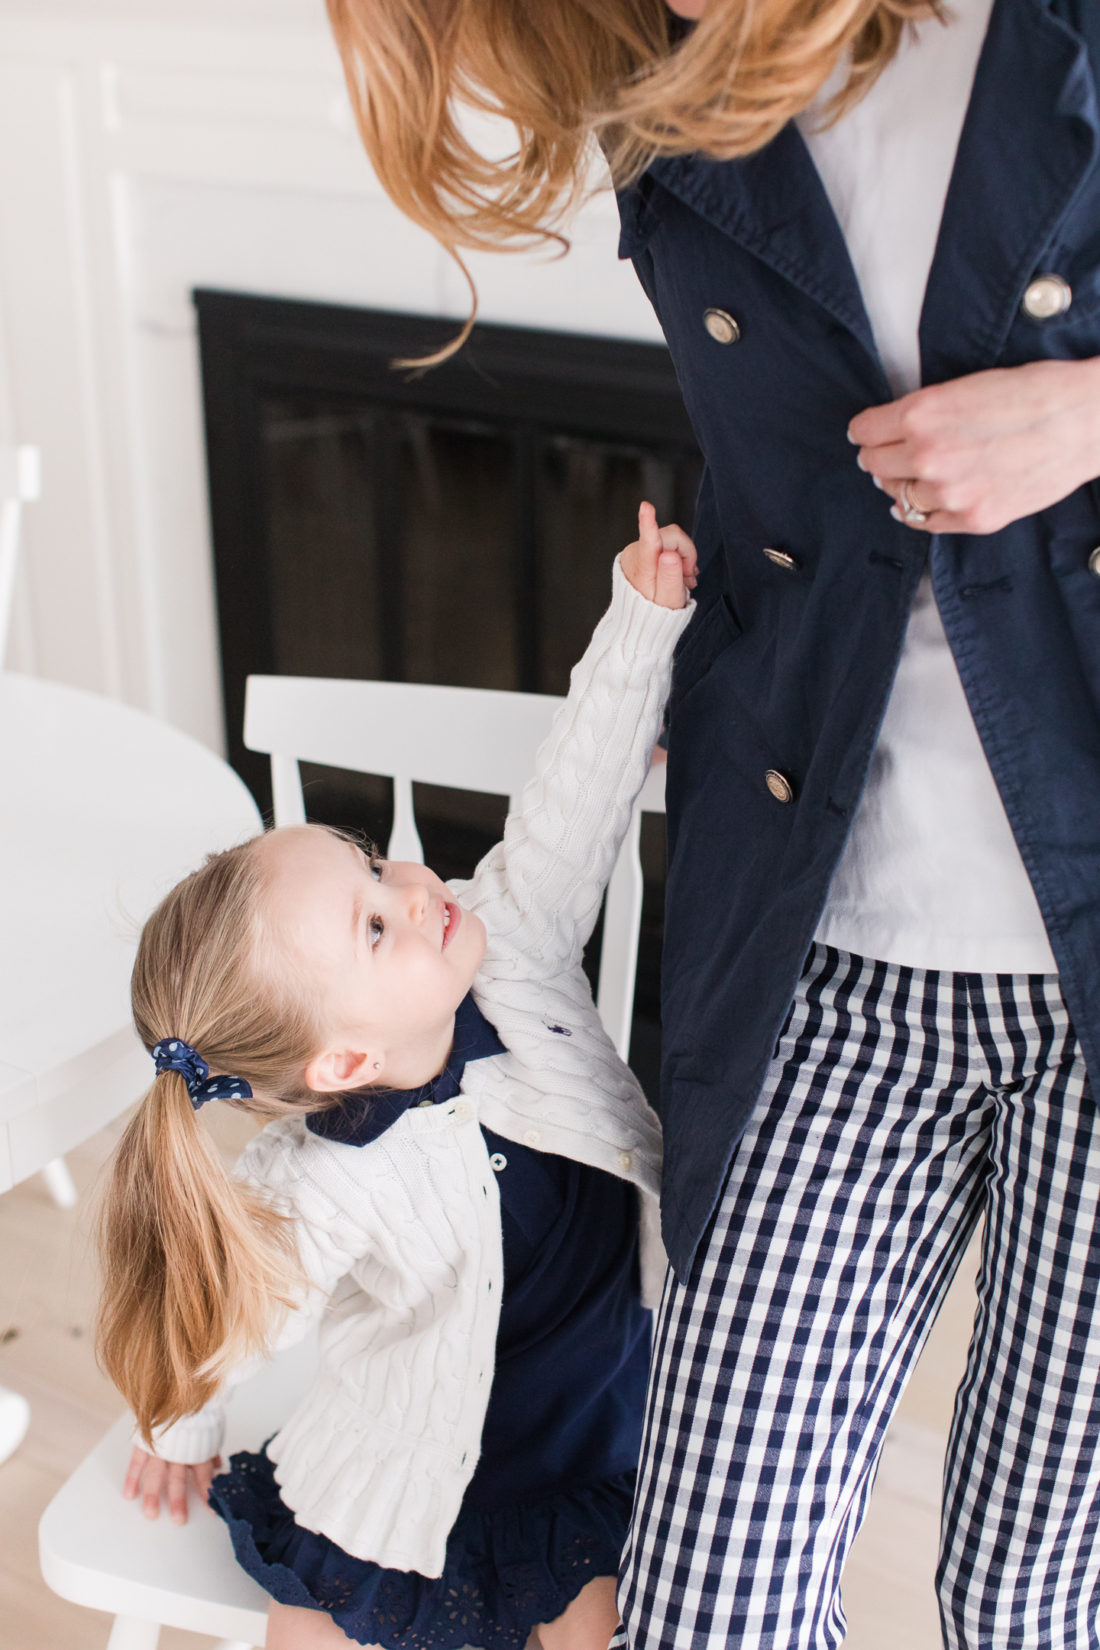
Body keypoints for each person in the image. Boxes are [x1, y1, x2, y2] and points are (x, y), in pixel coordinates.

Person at [323, 2, 1100, 1646]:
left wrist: (1087, 416)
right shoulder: (656, 81)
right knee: (705, 1602)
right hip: (819, 922)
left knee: (1037, 1596)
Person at [96, 507, 697, 1650]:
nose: (417, 882)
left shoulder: (510, 942)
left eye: (374, 861)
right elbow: (218, 1316)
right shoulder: (314, 1187)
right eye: (375, 924)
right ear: (344, 1062)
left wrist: (641, 621)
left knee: (605, 1631)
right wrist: (173, 1430)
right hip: (401, 1469)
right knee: (309, 1627)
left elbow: (574, 800)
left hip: (587, 1445)